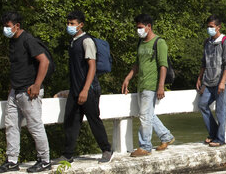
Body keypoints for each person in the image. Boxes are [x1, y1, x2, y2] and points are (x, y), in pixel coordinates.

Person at [0, 12, 52, 174]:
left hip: (29, 91)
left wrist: (37, 84)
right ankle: (12, 160)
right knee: (11, 125)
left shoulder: (28, 40)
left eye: (7, 26)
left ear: (17, 26)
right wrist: (11, 88)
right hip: (16, 91)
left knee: (35, 126)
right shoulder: (13, 41)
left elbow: (44, 61)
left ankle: (45, 160)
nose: (5, 29)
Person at [56, 10, 113, 162]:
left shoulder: (86, 41)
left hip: (88, 89)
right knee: (71, 121)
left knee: (93, 120)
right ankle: (67, 154)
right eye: (68, 23)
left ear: (80, 25)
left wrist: (85, 90)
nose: (69, 26)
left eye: (72, 23)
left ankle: (106, 150)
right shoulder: (73, 42)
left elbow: (92, 66)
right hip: (75, 90)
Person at [121, 13, 174, 157]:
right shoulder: (141, 43)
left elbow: (163, 65)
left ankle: (145, 146)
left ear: (148, 26)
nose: (138, 30)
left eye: (140, 27)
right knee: (147, 115)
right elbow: (137, 64)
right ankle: (166, 136)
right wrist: (128, 78)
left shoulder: (159, 43)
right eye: (137, 27)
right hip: (141, 84)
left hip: (152, 84)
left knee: (145, 116)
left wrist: (161, 86)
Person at [196, 15, 226, 147]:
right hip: (208, 81)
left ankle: (220, 138)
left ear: (218, 27)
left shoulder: (225, 42)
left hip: (221, 81)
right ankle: (213, 133)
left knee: (220, 110)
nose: (209, 29)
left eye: (211, 26)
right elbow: (204, 62)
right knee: (202, 104)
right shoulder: (207, 42)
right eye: (208, 26)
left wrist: (222, 82)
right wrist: (200, 78)